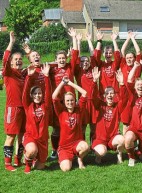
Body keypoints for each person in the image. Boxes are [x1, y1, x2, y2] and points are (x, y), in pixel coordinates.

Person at [49, 27, 79, 158]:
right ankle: (55, 150)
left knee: (72, 126)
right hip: (58, 104)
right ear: (56, 59)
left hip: (70, 102)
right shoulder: (52, 70)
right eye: (59, 59)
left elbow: (76, 54)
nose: (61, 60)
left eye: (63, 58)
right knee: (56, 128)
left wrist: (73, 38)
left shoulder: (70, 67)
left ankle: (74, 147)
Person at [52, 77, 89, 172]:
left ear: (75, 101)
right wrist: (62, 83)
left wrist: (71, 83)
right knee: (66, 168)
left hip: (77, 143)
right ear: (64, 102)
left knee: (85, 147)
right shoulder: (60, 111)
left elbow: (84, 93)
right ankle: (63, 157)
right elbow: (54, 97)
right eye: (67, 101)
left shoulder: (79, 110)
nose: (70, 103)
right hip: (64, 147)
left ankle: (80, 159)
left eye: (72, 100)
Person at [91, 68, 126, 164]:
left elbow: (124, 98)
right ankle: (98, 157)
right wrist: (94, 81)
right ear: (104, 96)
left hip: (113, 137)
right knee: (102, 152)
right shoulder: (100, 105)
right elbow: (93, 96)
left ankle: (119, 155)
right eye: (107, 93)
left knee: (122, 140)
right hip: (100, 139)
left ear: (115, 95)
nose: (110, 95)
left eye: (112, 93)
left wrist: (122, 84)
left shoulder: (117, 106)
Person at [2, 31, 26, 171]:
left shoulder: (22, 74)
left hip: (24, 109)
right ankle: (7, 163)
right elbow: (4, 60)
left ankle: (18, 159)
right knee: (11, 137)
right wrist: (11, 42)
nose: (18, 61)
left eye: (20, 59)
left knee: (22, 136)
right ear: (11, 62)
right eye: (15, 59)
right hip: (13, 109)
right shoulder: (9, 73)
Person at [22, 63, 51, 174]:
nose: (37, 95)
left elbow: (48, 92)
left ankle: (34, 159)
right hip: (31, 137)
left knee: (41, 167)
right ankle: (27, 162)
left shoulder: (46, 105)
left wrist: (47, 77)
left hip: (42, 139)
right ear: (32, 95)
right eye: (35, 94)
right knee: (32, 150)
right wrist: (28, 77)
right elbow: (24, 94)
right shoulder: (27, 105)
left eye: (39, 93)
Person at [124, 60, 142, 167]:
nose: (140, 86)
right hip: (134, 128)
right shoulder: (133, 95)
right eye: (138, 85)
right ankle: (131, 158)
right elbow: (129, 80)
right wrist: (135, 66)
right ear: (135, 87)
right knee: (128, 139)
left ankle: (137, 151)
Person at [74, 32, 97, 143]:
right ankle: (82, 144)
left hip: (93, 102)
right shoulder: (78, 71)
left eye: (87, 61)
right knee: (82, 126)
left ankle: (93, 145)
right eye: (83, 61)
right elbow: (76, 57)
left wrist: (88, 40)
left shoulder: (93, 69)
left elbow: (93, 54)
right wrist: (78, 41)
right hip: (83, 102)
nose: (85, 63)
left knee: (93, 126)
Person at [120, 31, 142, 135]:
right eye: (127, 57)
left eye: (131, 57)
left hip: (135, 95)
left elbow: (138, 51)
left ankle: (135, 144)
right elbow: (122, 50)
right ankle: (125, 143)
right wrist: (128, 37)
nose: (129, 59)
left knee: (136, 120)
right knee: (125, 122)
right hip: (125, 95)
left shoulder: (137, 66)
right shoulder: (123, 65)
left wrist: (133, 38)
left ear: (134, 59)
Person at [93, 31, 121, 96]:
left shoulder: (115, 64)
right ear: (103, 54)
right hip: (103, 94)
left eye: (110, 53)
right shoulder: (100, 64)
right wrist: (99, 41)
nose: (108, 54)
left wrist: (114, 40)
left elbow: (117, 55)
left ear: (112, 54)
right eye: (106, 53)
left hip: (114, 94)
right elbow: (96, 55)